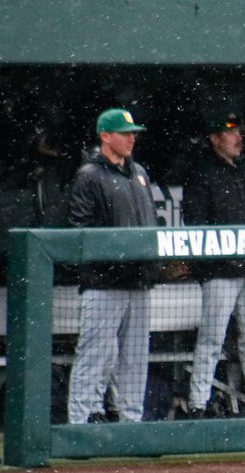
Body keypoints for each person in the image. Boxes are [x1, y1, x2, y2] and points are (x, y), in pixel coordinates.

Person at [66, 108, 158, 424]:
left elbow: (150, 224)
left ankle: (131, 420)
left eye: (134, 133)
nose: (132, 138)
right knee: (96, 354)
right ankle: (83, 418)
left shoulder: (139, 173)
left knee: (134, 357)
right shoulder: (89, 175)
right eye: (125, 132)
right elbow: (80, 229)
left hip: (138, 280)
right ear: (106, 136)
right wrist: (115, 258)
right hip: (104, 282)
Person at [181, 111, 245, 417]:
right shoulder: (202, 174)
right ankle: (197, 403)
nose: (238, 138)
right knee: (211, 340)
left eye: (239, 133)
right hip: (221, 272)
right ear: (214, 138)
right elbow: (195, 224)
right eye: (230, 133)